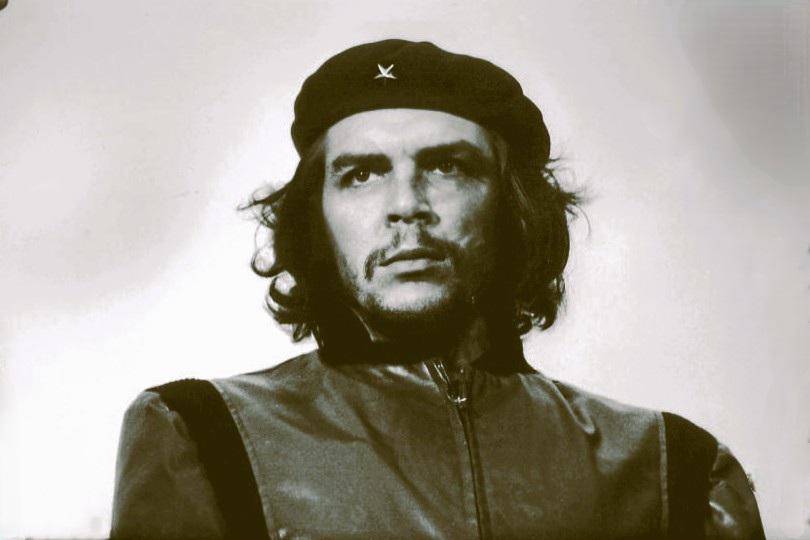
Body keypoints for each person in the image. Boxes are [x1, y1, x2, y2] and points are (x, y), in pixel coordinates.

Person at [110, 39, 764, 539]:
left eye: (448, 166)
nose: (406, 206)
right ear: (316, 218)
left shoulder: (673, 468)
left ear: (513, 207)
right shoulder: (203, 438)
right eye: (362, 174)